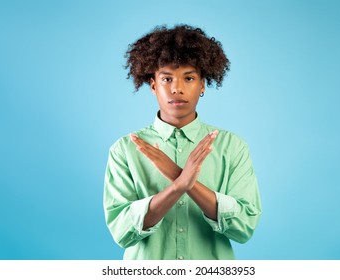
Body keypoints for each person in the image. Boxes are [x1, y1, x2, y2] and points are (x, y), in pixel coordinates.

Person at [103, 24, 261, 260]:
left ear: (203, 84)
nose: (177, 88)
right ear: (153, 85)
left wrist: (183, 179)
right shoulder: (124, 150)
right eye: (167, 78)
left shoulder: (233, 147)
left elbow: (244, 227)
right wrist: (180, 185)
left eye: (188, 78)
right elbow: (122, 232)